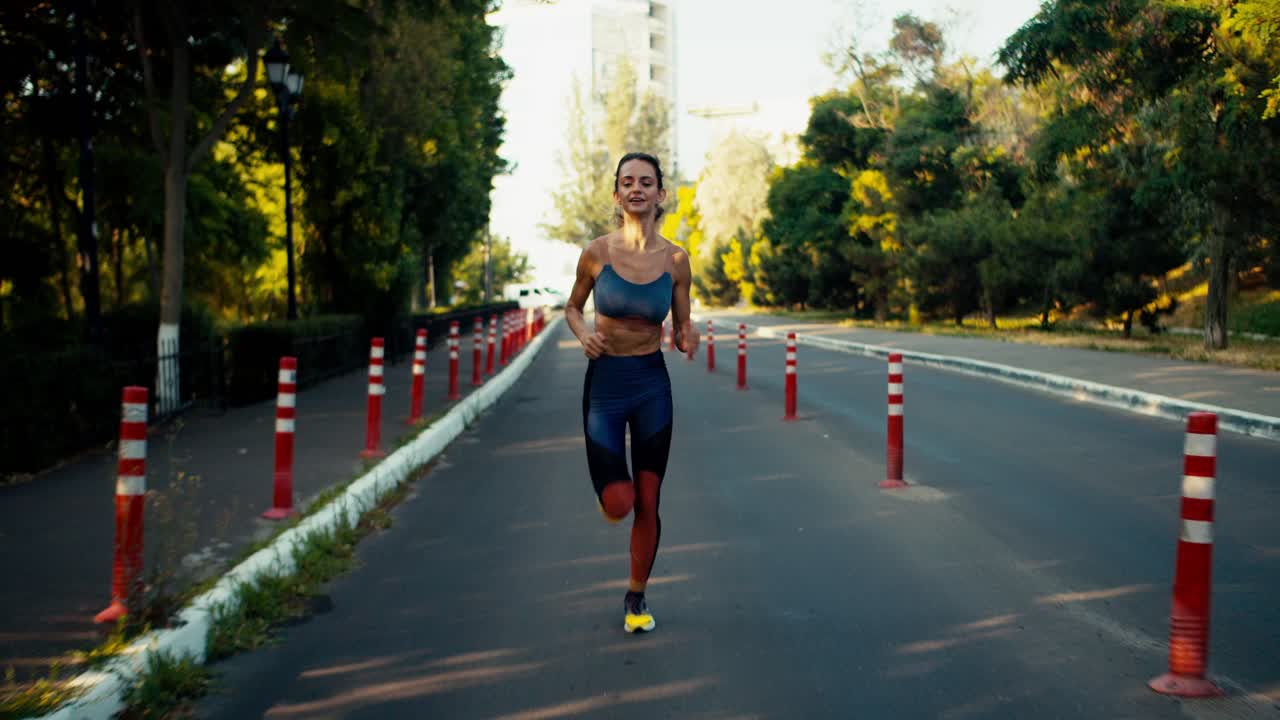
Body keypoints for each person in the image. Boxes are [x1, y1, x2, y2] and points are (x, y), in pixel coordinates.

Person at [564, 151, 698, 634]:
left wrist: (688, 336)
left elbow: (683, 323)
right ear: (617, 194)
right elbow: (573, 309)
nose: (637, 188)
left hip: (650, 385)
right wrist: (583, 335)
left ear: (661, 194)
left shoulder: (677, 260)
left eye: (647, 181)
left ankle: (636, 596)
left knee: (648, 498)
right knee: (619, 502)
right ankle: (608, 496)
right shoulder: (596, 253)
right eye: (628, 182)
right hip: (605, 384)